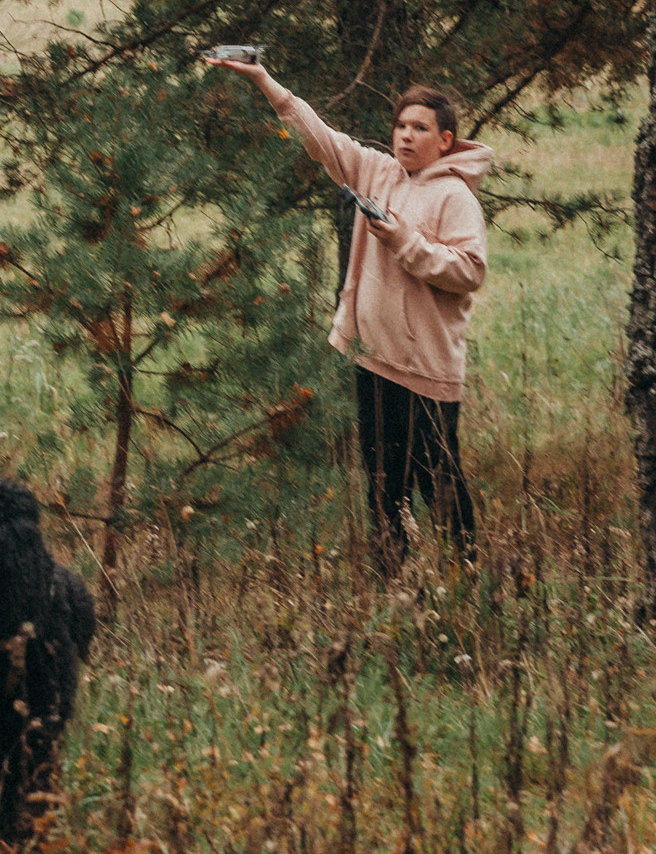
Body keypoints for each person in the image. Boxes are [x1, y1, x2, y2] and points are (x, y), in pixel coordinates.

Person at [207, 56, 490, 562]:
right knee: (383, 488)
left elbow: (468, 272)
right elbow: (319, 136)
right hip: (373, 362)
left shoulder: (456, 196)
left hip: (428, 371)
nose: (405, 136)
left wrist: (406, 240)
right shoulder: (376, 172)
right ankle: (391, 586)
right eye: (400, 125)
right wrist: (265, 80)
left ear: (445, 140)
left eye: (419, 128)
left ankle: (468, 580)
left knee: (439, 483)